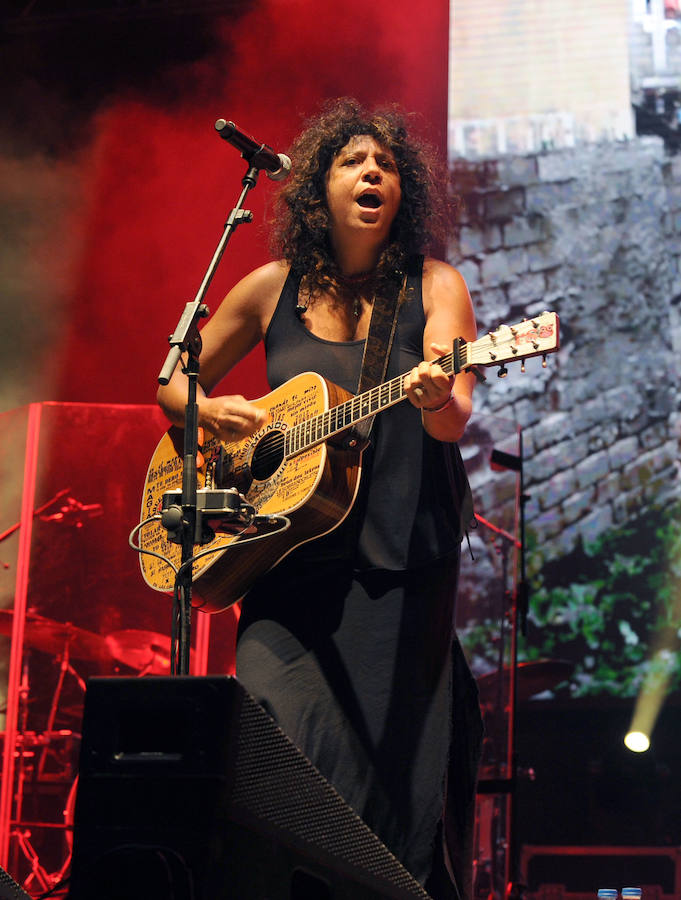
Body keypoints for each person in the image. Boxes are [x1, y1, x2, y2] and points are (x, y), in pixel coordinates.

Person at [157, 97, 483, 900]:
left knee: (392, 776)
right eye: (352, 162)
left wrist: (437, 394)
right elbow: (173, 379)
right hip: (283, 555)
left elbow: (455, 418)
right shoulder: (269, 289)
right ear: (316, 191)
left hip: (400, 565)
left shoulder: (435, 284)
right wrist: (215, 410)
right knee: (272, 744)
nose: (374, 172)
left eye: (388, 166)